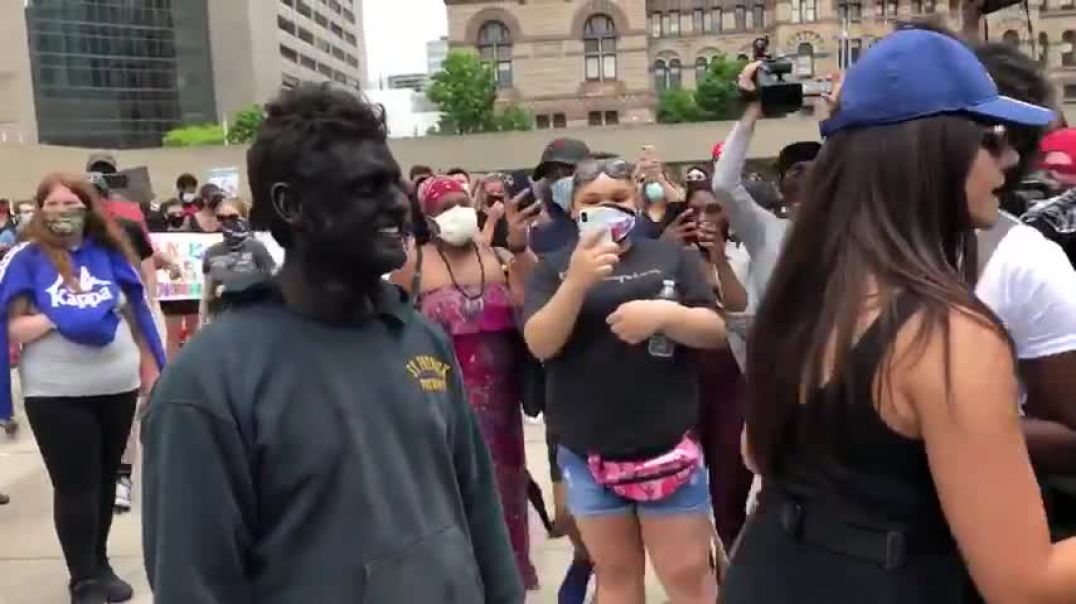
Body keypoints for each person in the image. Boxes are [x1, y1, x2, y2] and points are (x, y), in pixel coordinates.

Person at [723, 29, 1074, 603]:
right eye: (992, 139)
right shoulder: (949, 336)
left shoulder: (806, 287)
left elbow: (755, 452)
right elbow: (1025, 583)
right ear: (931, 153)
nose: (1011, 159)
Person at [141, 83, 523, 603]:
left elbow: (480, 513)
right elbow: (194, 585)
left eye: (394, 183)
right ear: (291, 205)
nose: (398, 204)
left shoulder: (419, 339)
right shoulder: (208, 386)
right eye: (368, 187)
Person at [524, 157, 726, 604]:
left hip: (668, 446)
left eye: (617, 199)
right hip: (588, 448)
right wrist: (576, 282)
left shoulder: (670, 255)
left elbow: (714, 331)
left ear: (635, 201)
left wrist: (665, 316)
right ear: (573, 208)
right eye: (592, 201)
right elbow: (539, 343)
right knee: (616, 577)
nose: (607, 208)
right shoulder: (552, 268)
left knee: (687, 574)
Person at [0, 173, 166, 604]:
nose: (60, 212)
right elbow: (13, 328)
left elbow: (140, 319)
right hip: (55, 391)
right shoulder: (27, 260)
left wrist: (152, 375)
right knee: (76, 486)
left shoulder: (112, 255)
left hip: (116, 385)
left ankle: (100, 562)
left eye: (69, 203)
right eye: (51, 205)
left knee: (106, 480)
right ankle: (83, 578)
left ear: (87, 208)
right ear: (39, 211)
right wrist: (62, 315)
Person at [392, 174, 541, 590]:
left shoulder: (497, 254)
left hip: (502, 404)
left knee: (506, 491)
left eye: (462, 202)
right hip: (438, 402)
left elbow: (533, 306)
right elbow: (393, 327)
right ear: (427, 217)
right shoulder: (413, 261)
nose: (456, 211)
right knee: (451, 493)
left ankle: (509, 578)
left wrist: (520, 249)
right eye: (444, 207)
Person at [200, 198, 276, 322]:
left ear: (244, 218)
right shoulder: (211, 252)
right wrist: (201, 325)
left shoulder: (256, 248)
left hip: (253, 319)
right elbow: (206, 295)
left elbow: (272, 284)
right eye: (221, 218)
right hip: (222, 320)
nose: (227, 222)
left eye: (232, 217)